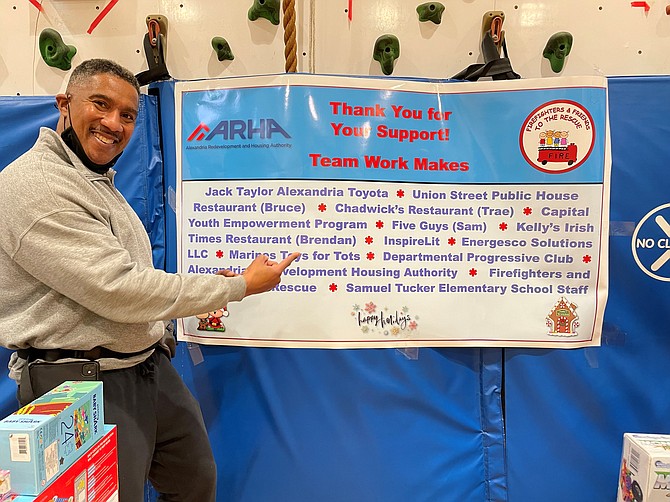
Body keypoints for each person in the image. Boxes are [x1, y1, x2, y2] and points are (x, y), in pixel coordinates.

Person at [0, 58, 299, 501]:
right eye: (100, 105)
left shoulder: (93, 179)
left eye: (127, 115)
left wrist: (202, 288)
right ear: (65, 104)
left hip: (144, 367)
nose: (113, 123)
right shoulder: (37, 186)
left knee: (194, 480)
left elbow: (121, 278)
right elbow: (119, 290)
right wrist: (239, 287)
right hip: (82, 381)